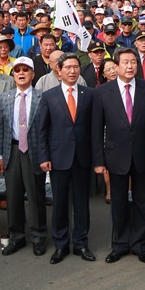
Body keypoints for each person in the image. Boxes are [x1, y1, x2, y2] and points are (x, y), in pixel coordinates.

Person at [92, 48, 145, 264]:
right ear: (117, 67)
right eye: (125, 63)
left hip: (142, 154)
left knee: (142, 201)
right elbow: (96, 129)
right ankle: (119, 244)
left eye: (133, 62)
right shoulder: (103, 92)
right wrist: (99, 160)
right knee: (118, 202)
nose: (130, 66)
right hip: (115, 155)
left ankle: (141, 245)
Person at [37, 53, 96, 264]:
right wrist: (43, 156)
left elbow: (94, 129)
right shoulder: (49, 96)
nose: (72, 71)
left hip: (82, 157)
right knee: (60, 203)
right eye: (68, 67)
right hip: (58, 156)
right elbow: (42, 130)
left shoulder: (89, 94)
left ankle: (81, 243)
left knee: (81, 204)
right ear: (59, 71)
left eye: (76, 67)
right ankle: (61, 244)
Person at [0, 56, 47, 256]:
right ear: (13, 74)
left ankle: (38, 237)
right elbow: (0, 128)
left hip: (34, 152)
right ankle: (16, 237)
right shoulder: (6, 98)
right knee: (13, 197)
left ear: (33, 74)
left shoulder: (43, 97)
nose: (22, 73)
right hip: (12, 152)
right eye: (18, 70)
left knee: (35, 197)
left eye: (26, 70)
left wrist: (45, 156)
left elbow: (46, 130)